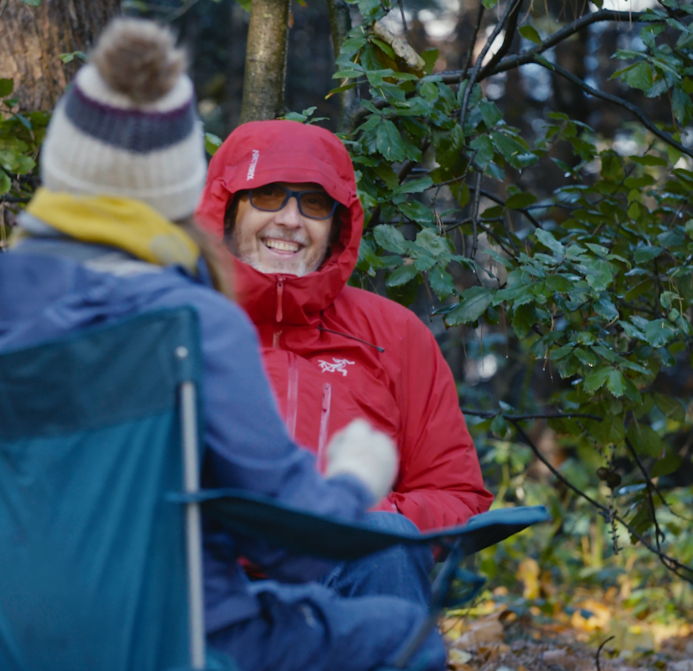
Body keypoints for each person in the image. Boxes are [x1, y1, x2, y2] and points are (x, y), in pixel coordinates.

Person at [0, 18, 444, 671]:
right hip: (178, 667)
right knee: (406, 641)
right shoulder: (192, 322)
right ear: (185, 191)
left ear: (62, 166)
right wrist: (356, 481)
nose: (291, 217)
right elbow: (288, 540)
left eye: (312, 204)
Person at [194, 121, 491, 604]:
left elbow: (456, 494)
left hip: (343, 586)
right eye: (268, 195)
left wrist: (368, 513)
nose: (290, 220)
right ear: (228, 209)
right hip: (201, 584)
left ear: (337, 225)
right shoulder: (177, 322)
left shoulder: (392, 334)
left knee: (387, 539)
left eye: (313, 204)